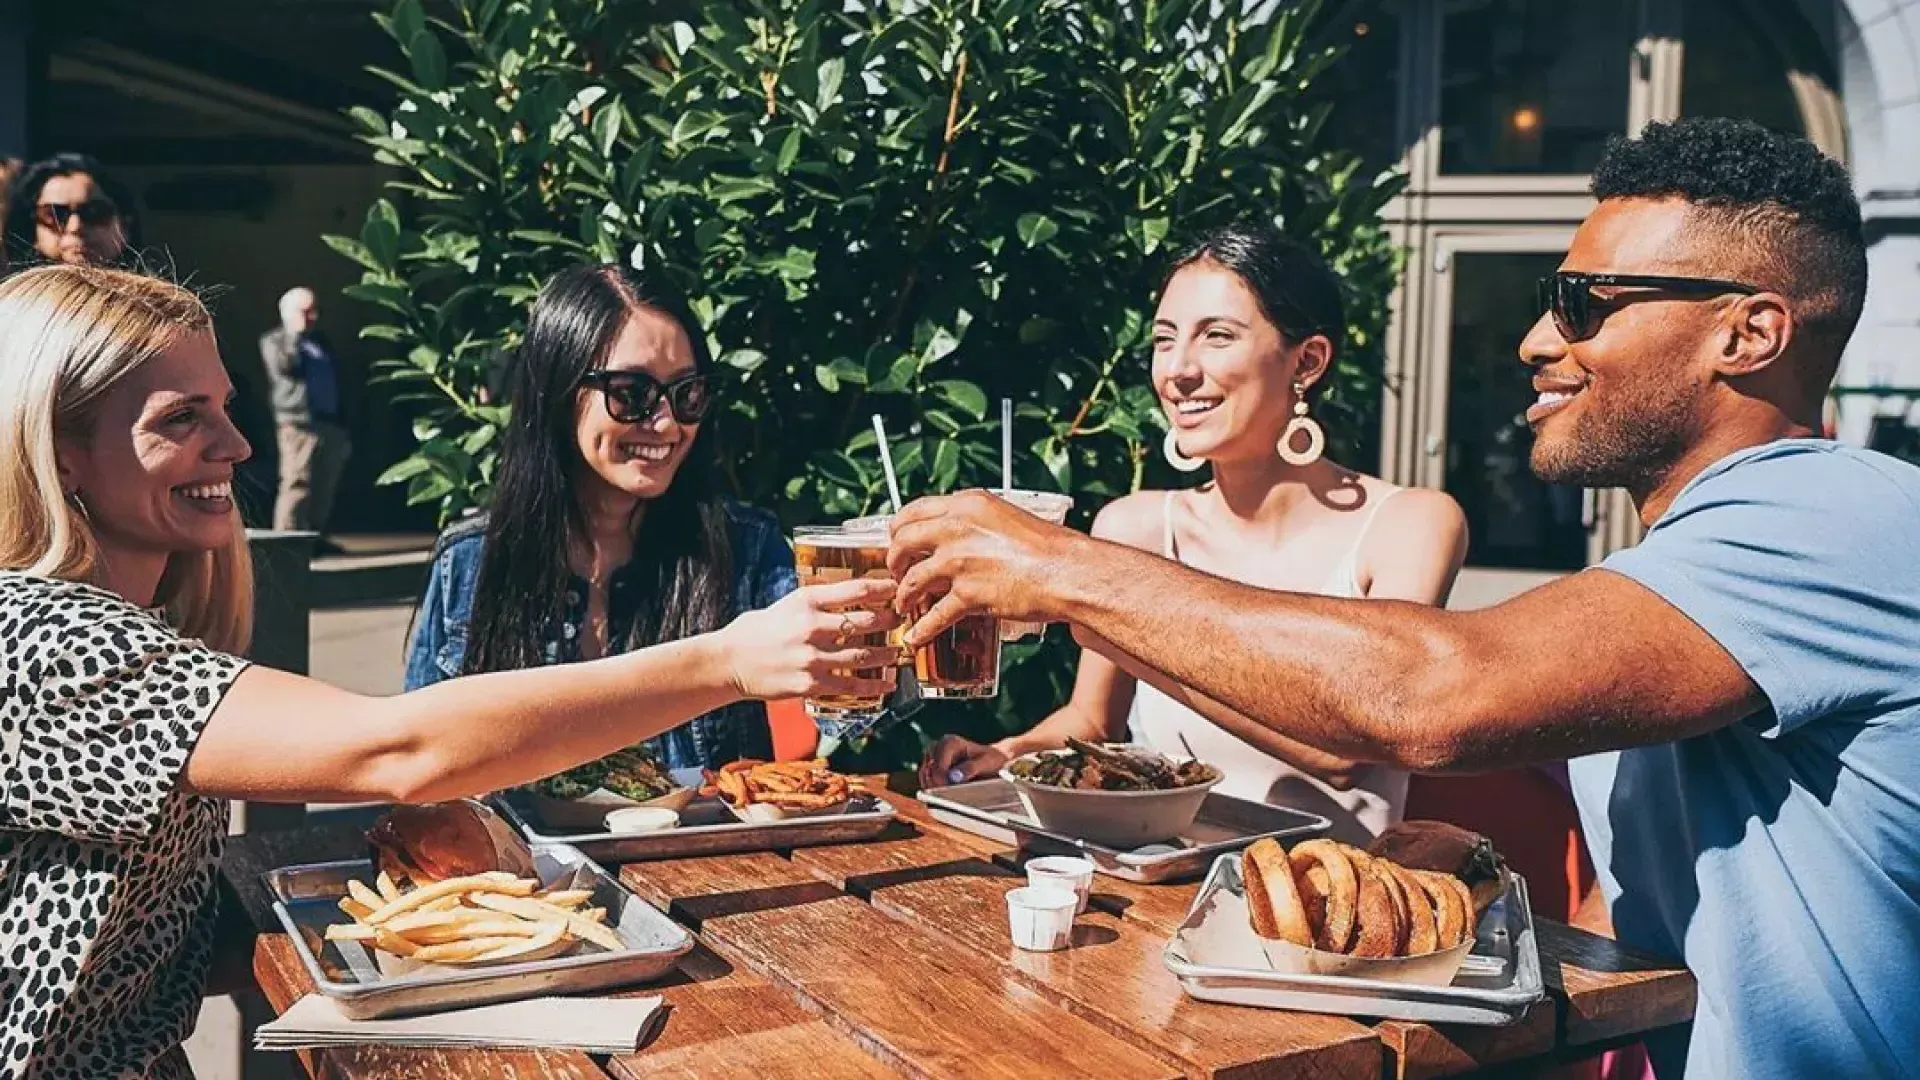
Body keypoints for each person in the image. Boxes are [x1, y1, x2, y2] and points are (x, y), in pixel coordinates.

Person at [887, 117, 1918, 1079]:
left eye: (1581, 304)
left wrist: (1061, 569)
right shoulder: (1695, 563)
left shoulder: (1835, 514)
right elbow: (1648, 901)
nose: (1533, 342)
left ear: (1750, 333)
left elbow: (1431, 696)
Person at [0, 263, 899, 1079]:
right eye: (181, 419)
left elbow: (143, 949)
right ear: (59, 448)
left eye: (227, 408)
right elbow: (397, 751)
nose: (238, 447)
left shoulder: (133, 628)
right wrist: (727, 658)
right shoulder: (43, 642)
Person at [920, 222, 1467, 843]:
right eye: (1163, 339)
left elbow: (1347, 747)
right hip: (1154, 888)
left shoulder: (1407, 523)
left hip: (1321, 910)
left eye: (1216, 337)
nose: (1177, 370)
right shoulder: (1134, 525)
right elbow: (1092, 721)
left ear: (1307, 361)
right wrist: (1009, 752)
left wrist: (1120, 624)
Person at [405, 263, 798, 769]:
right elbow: (419, 766)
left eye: (687, 394)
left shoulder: (745, 550)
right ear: (559, 392)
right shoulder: (469, 563)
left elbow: (841, 699)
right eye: (631, 394)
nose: (666, 423)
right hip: (516, 850)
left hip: (702, 851)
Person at [260, 286, 352, 543]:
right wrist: (294, 334)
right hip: (298, 423)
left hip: (330, 422)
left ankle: (314, 540)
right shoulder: (275, 341)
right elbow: (286, 366)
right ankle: (286, 542)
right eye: (306, 311)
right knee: (297, 484)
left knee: (326, 485)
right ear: (288, 313)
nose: (312, 317)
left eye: (315, 310)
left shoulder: (321, 341)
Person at [2, 152, 137, 269]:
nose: (75, 227)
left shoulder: (149, 297)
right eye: (55, 214)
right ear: (32, 230)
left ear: (125, 225)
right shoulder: (13, 298)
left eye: (94, 212)